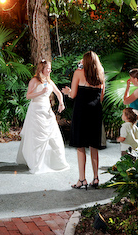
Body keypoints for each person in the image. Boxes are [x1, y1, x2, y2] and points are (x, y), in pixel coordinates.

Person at [61, 51, 105, 190]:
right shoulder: (101, 76)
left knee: (81, 146)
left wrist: (67, 92)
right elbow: (101, 98)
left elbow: (73, 94)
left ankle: (82, 179)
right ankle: (96, 178)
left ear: (84, 61)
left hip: (81, 112)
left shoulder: (78, 73)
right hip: (95, 112)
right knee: (94, 146)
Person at [16, 60, 69, 174]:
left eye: (50, 68)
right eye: (48, 68)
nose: (50, 70)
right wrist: (40, 92)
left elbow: (58, 93)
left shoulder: (49, 81)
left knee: (53, 135)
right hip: (36, 111)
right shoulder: (34, 81)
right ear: (42, 69)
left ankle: (54, 162)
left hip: (47, 110)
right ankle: (35, 162)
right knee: (37, 137)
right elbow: (28, 95)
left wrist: (61, 102)